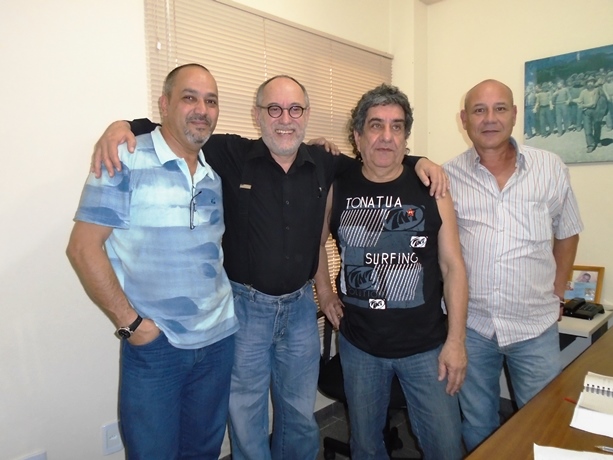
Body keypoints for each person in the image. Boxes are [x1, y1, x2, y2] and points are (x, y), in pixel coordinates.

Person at [91, 74, 448, 460]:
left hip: (299, 310)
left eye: (295, 109)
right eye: (274, 109)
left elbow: (380, 158)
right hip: (246, 309)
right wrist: (124, 126)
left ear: (306, 114)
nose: (285, 119)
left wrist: (420, 161)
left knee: (299, 415)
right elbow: (180, 129)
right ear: (257, 114)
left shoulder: (326, 162)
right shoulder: (230, 153)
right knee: (246, 415)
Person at [66, 64, 239, 459]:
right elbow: (82, 248)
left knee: (203, 452)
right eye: (190, 98)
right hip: (158, 349)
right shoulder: (125, 159)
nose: (202, 110)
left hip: (217, 343)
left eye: (211, 101)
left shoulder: (213, 175)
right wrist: (133, 325)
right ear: (164, 104)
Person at [315, 83, 468, 460]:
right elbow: (314, 244)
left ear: (405, 137)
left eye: (396, 126)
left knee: (446, 448)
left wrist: (456, 341)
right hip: (359, 347)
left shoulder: (431, 186)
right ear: (357, 136)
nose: (386, 136)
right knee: (366, 447)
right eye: (376, 125)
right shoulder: (337, 185)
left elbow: (453, 266)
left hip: (426, 347)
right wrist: (326, 292)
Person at [443, 79, 583, 452]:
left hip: (533, 327)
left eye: (500, 108)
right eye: (479, 110)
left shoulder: (550, 168)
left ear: (515, 114)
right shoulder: (448, 176)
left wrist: (558, 291)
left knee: (543, 422)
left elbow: (568, 232)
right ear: (464, 119)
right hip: (472, 327)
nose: (490, 119)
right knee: (477, 424)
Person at [575, 76, 603, 153]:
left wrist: (582, 105)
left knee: (597, 127)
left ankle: (597, 140)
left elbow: (593, 104)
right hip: (586, 112)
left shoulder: (597, 90)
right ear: (586, 83)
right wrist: (571, 100)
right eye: (588, 82)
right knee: (587, 130)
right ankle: (590, 145)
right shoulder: (583, 92)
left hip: (596, 111)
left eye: (592, 82)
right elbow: (579, 100)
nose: (590, 83)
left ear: (594, 83)